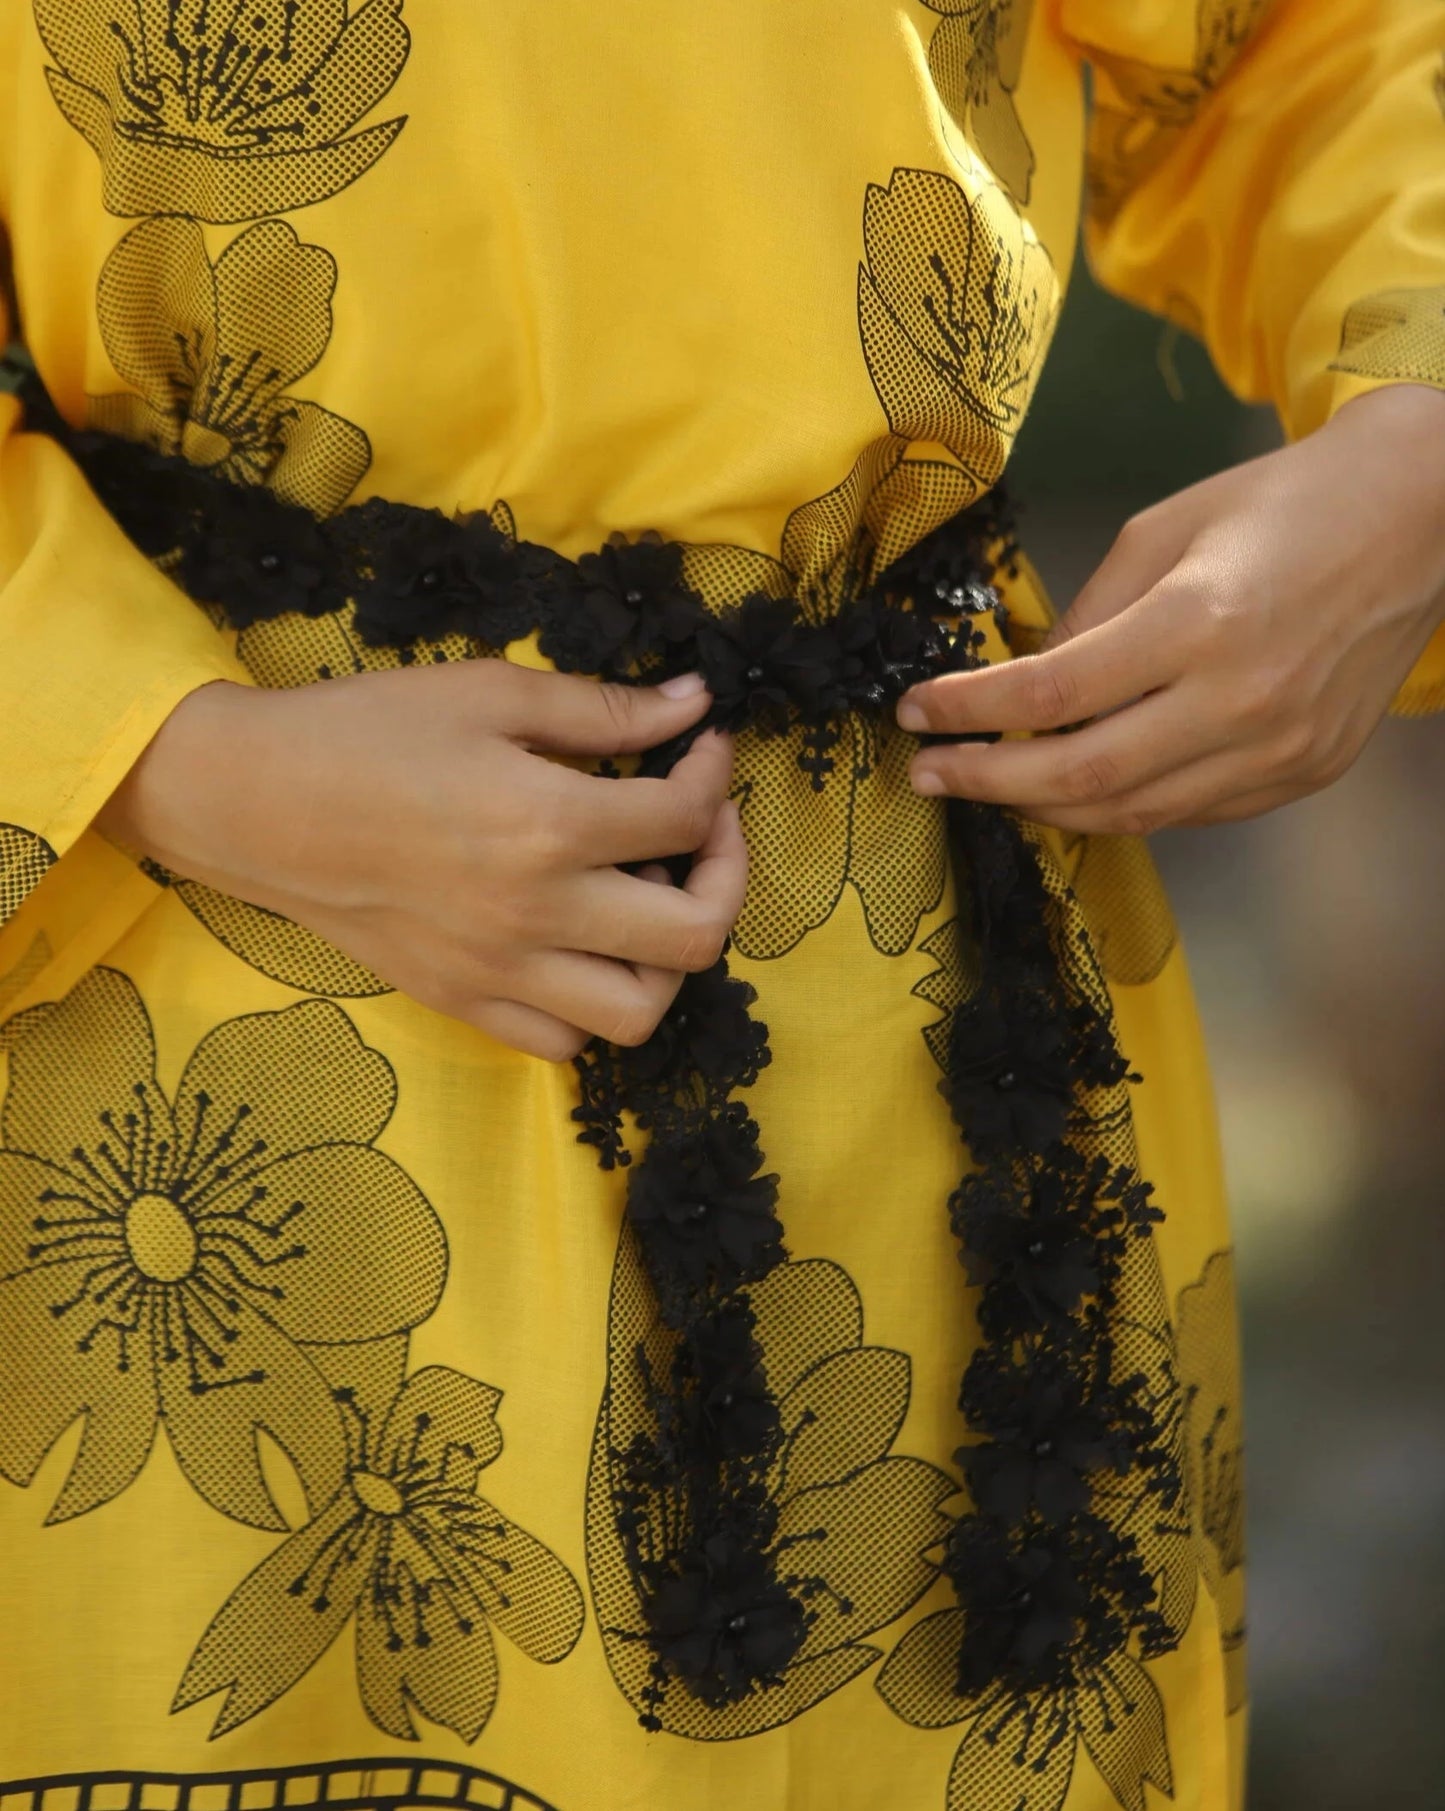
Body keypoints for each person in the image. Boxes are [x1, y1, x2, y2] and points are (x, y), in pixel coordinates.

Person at [0, 3, 1442, 1809]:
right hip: (160, 1096)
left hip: (930, 1056)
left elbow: (1305, 49)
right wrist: (163, 757)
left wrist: (1415, 457)